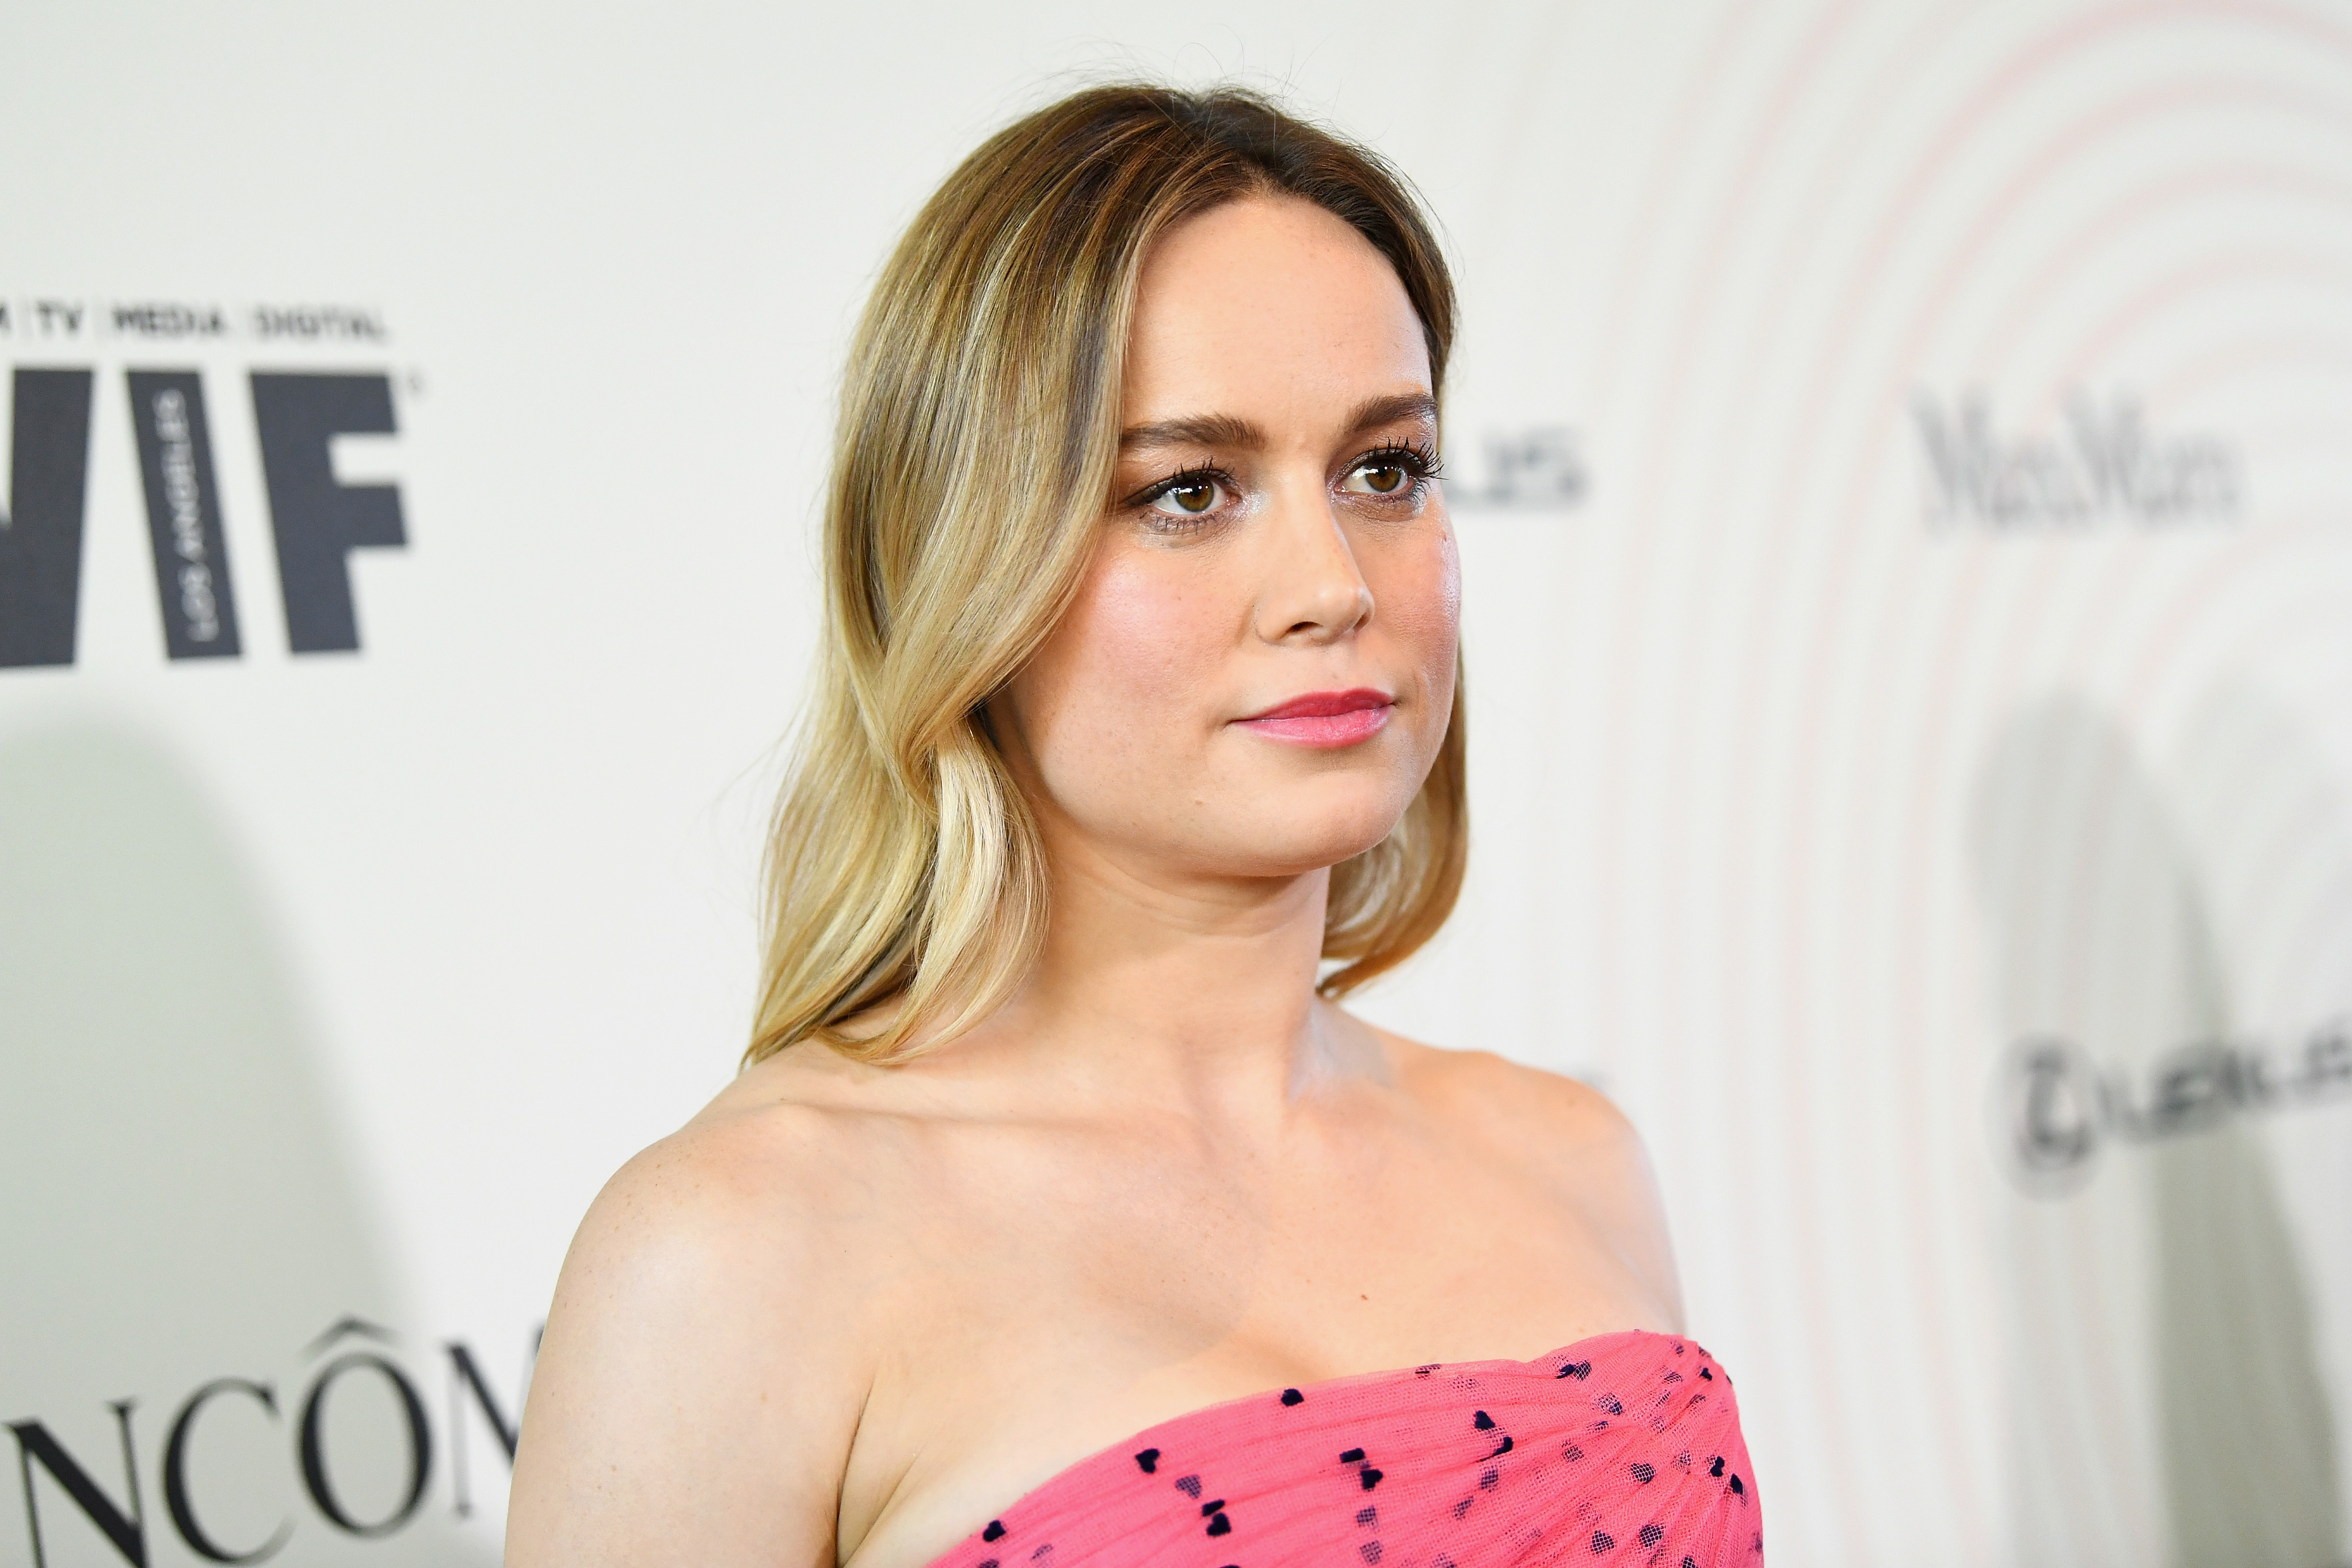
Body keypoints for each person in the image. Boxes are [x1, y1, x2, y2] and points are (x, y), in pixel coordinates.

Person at [506, 83, 1760, 1568]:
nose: (1333, 585)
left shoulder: (1575, 1161)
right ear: (965, 563)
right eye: (1189, 491)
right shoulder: (735, 1254)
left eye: (1386, 470)